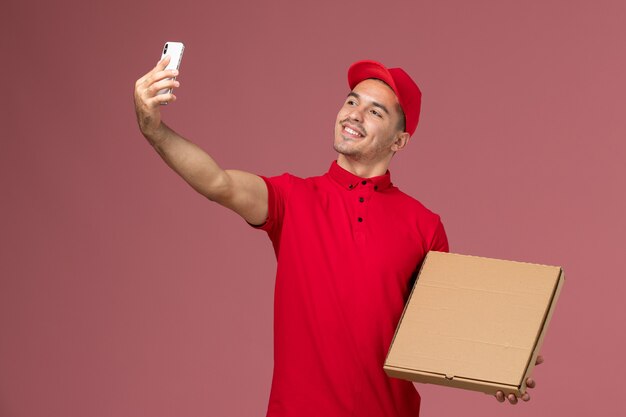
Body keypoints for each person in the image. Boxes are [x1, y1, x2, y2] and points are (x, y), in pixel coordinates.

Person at [134, 57, 541, 416]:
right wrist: (154, 129)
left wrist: (499, 366)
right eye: (351, 101)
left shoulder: (424, 225)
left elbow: (441, 334)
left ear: (400, 141)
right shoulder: (292, 198)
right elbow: (218, 181)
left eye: (375, 111)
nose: (354, 114)